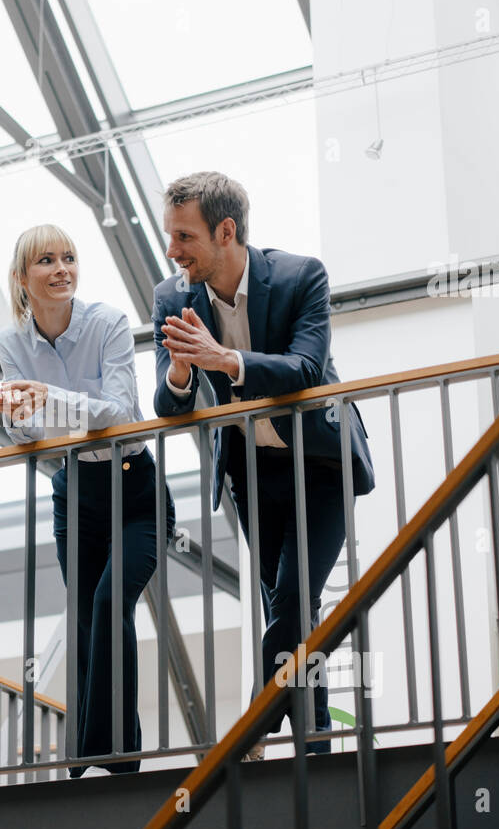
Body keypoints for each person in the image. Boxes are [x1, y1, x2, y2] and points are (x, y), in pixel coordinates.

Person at [152, 172, 375, 758]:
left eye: (184, 237)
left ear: (225, 231)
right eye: (169, 235)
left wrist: (226, 360)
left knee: (294, 596)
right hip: (253, 472)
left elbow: (305, 369)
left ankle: (257, 715)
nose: (172, 251)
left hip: (321, 463)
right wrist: (180, 373)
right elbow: (166, 404)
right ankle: (317, 743)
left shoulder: (303, 276)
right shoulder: (172, 297)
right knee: (294, 606)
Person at [0, 224, 174, 777]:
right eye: (46, 260)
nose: (62, 268)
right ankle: (97, 759)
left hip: (134, 489)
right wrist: (16, 419)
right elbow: (33, 435)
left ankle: (110, 760)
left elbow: (121, 413)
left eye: (68, 257)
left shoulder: (108, 323)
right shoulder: (13, 342)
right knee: (85, 621)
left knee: (107, 604)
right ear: (24, 278)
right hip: (75, 492)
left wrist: (51, 397)